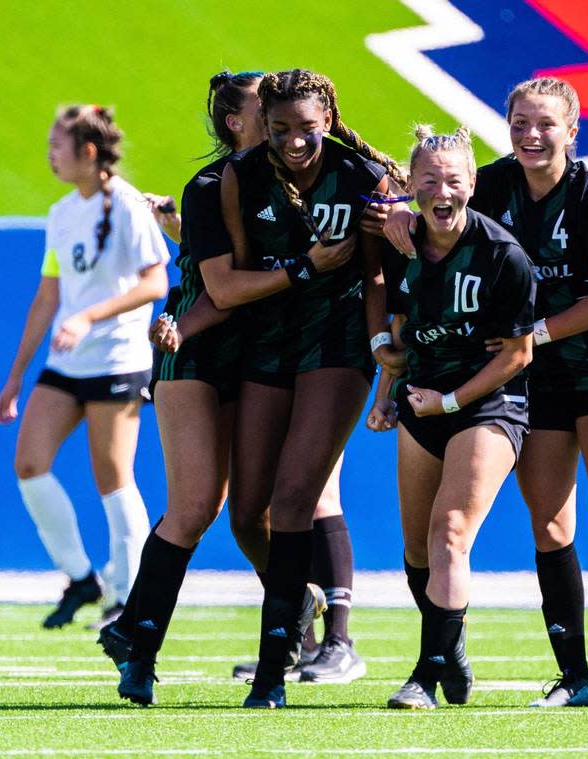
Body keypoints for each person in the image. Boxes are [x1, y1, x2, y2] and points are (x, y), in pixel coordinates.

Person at [383, 77, 588, 706]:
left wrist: (525, 333)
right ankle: (575, 677)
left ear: (571, 131)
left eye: (546, 124)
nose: (532, 135)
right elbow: (431, 192)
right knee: (551, 523)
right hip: (531, 374)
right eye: (521, 123)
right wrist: (397, 207)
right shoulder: (493, 182)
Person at [162, 68, 406, 709]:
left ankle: (277, 673)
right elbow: (233, 277)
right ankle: (297, 634)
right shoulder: (240, 179)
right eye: (280, 130)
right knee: (247, 513)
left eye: (306, 128)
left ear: (328, 117)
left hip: (337, 347)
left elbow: (380, 280)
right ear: (258, 127)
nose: (295, 142)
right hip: (265, 346)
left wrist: (385, 364)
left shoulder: (359, 179)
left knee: (298, 497)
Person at [377, 124, 535, 710]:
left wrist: (451, 401)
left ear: (473, 182)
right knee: (417, 549)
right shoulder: (402, 245)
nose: (442, 191)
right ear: (410, 186)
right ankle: (454, 650)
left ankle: (426, 671)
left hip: (487, 404)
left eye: (453, 180)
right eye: (428, 181)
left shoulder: (502, 254)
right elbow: (396, 325)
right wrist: (384, 389)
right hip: (422, 400)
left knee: (450, 533)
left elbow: (519, 354)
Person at [0, 105, 168, 631]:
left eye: (57, 145)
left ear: (88, 153)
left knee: (113, 479)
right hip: (66, 364)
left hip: (119, 360)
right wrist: (16, 374)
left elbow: (155, 283)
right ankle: (80, 577)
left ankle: (127, 600)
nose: (50, 154)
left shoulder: (131, 208)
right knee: (29, 463)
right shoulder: (61, 213)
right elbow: (48, 296)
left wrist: (89, 315)